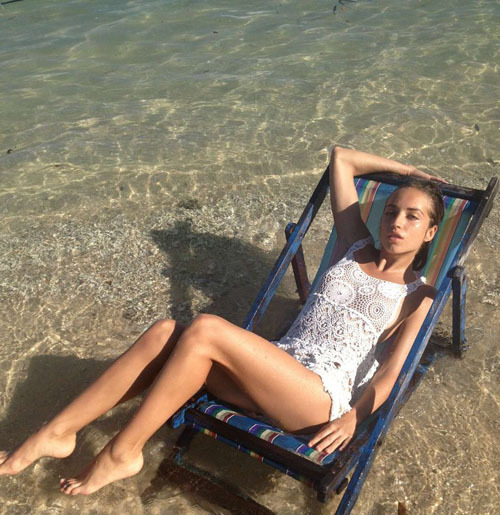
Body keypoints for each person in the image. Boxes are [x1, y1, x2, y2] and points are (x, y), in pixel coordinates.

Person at [0, 147, 446, 495]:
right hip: (273, 369)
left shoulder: (419, 295)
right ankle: (57, 433)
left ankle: (123, 452)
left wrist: (352, 420)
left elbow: (392, 373)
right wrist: (413, 174)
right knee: (165, 333)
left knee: (206, 329)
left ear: (430, 233)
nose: (397, 222)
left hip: (318, 399)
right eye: (392, 210)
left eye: (413, 217)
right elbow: (342, 158)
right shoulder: (355, 244)